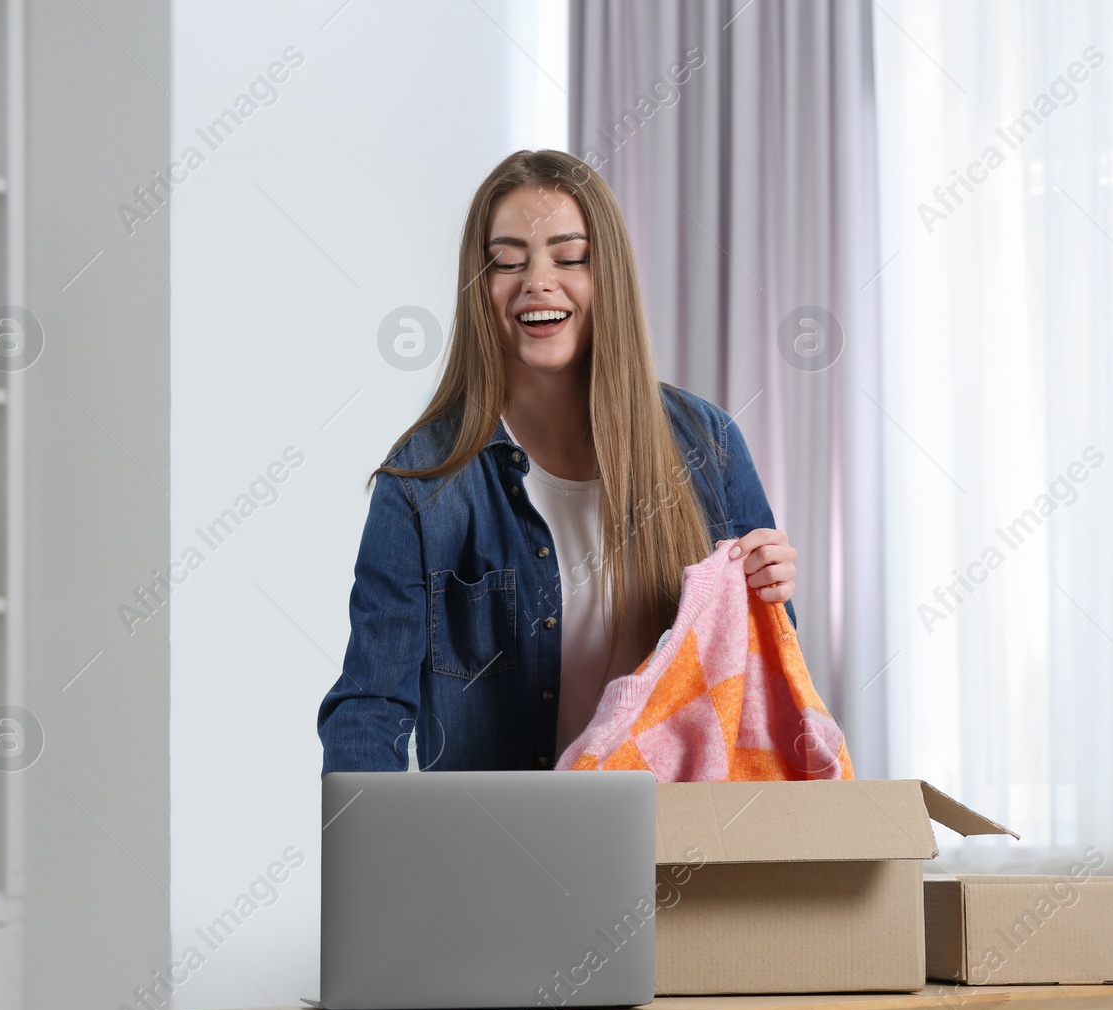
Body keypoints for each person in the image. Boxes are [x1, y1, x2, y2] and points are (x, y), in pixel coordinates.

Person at [318, 149, 797, 773]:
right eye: (507, 261)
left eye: (569, 258)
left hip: (675, 850)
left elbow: (764, 684)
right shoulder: (425, 480)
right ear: (480, 287)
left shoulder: (707, 445)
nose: (537, 281)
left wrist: (771, 591)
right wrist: (368, 859)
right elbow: (372, 707)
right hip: (504, 851)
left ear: (608, 279)